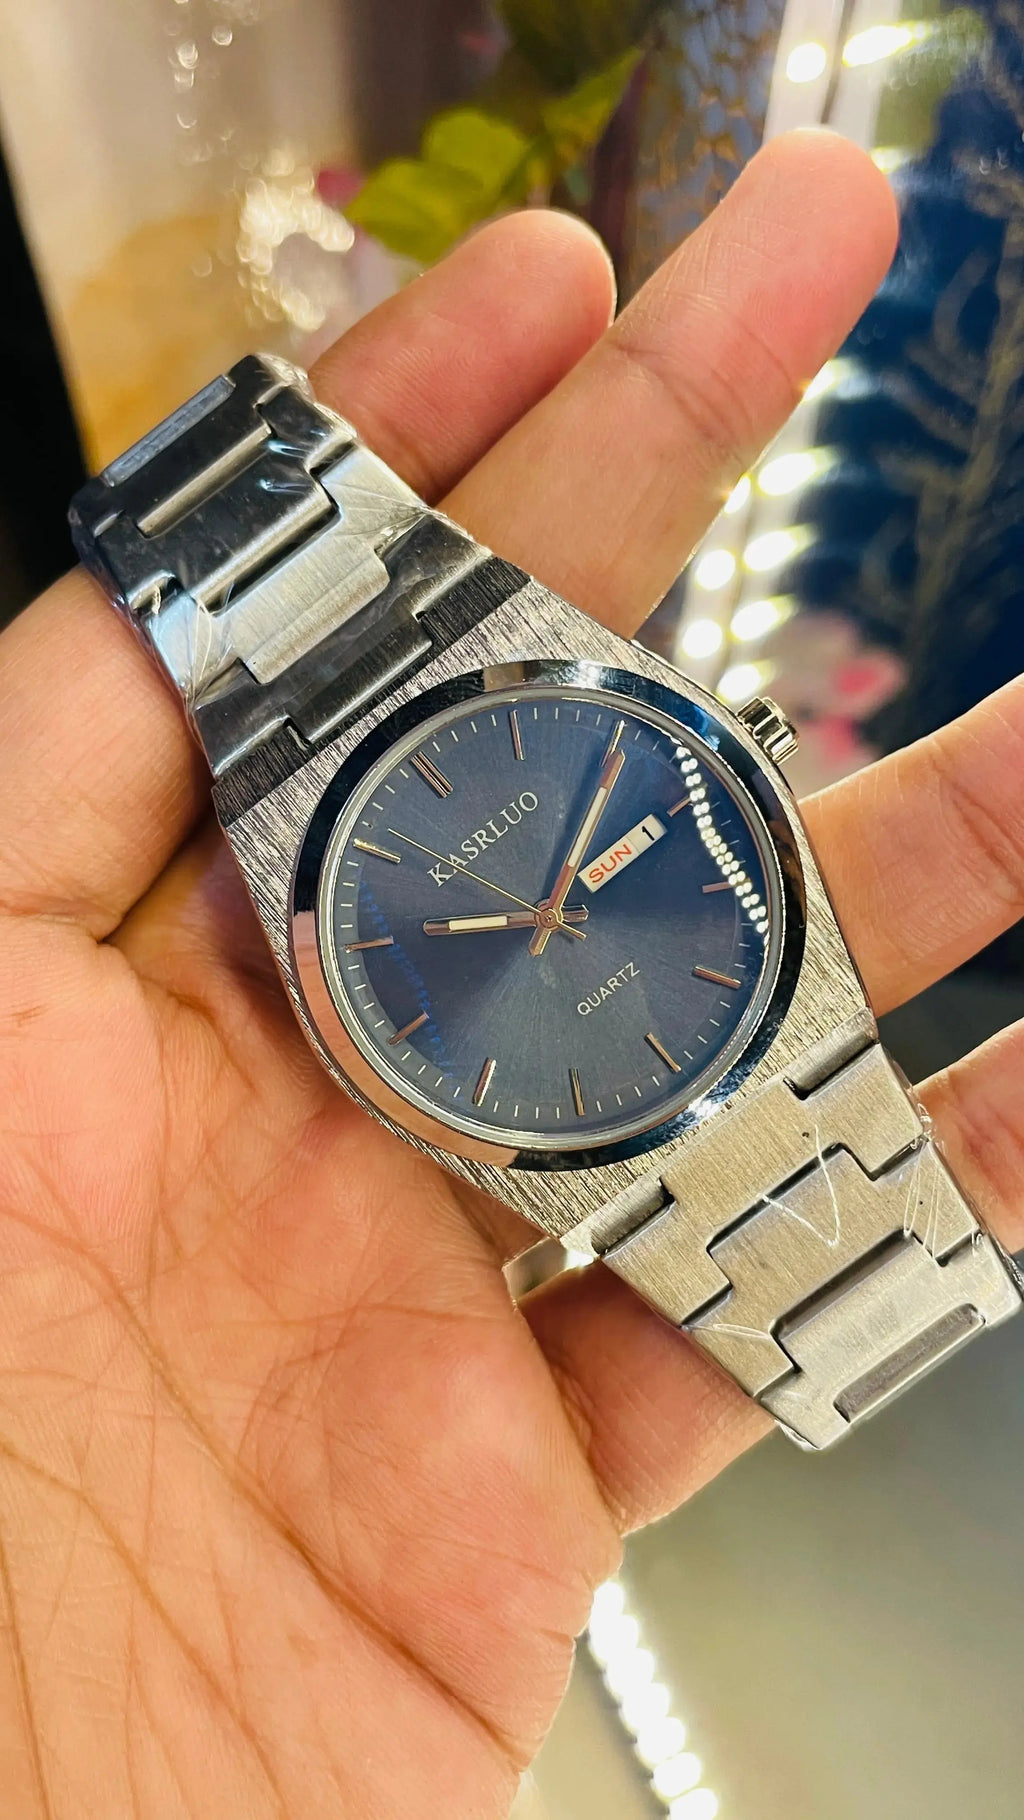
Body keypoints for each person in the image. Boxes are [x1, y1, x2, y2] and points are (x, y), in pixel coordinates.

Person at [0, 129, 1019, 1818]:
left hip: (671, 1011)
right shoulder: (343, 945)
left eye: (555, 905)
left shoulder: (605, 767)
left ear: (738, 765)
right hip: (554, 1049)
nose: (550, 924)